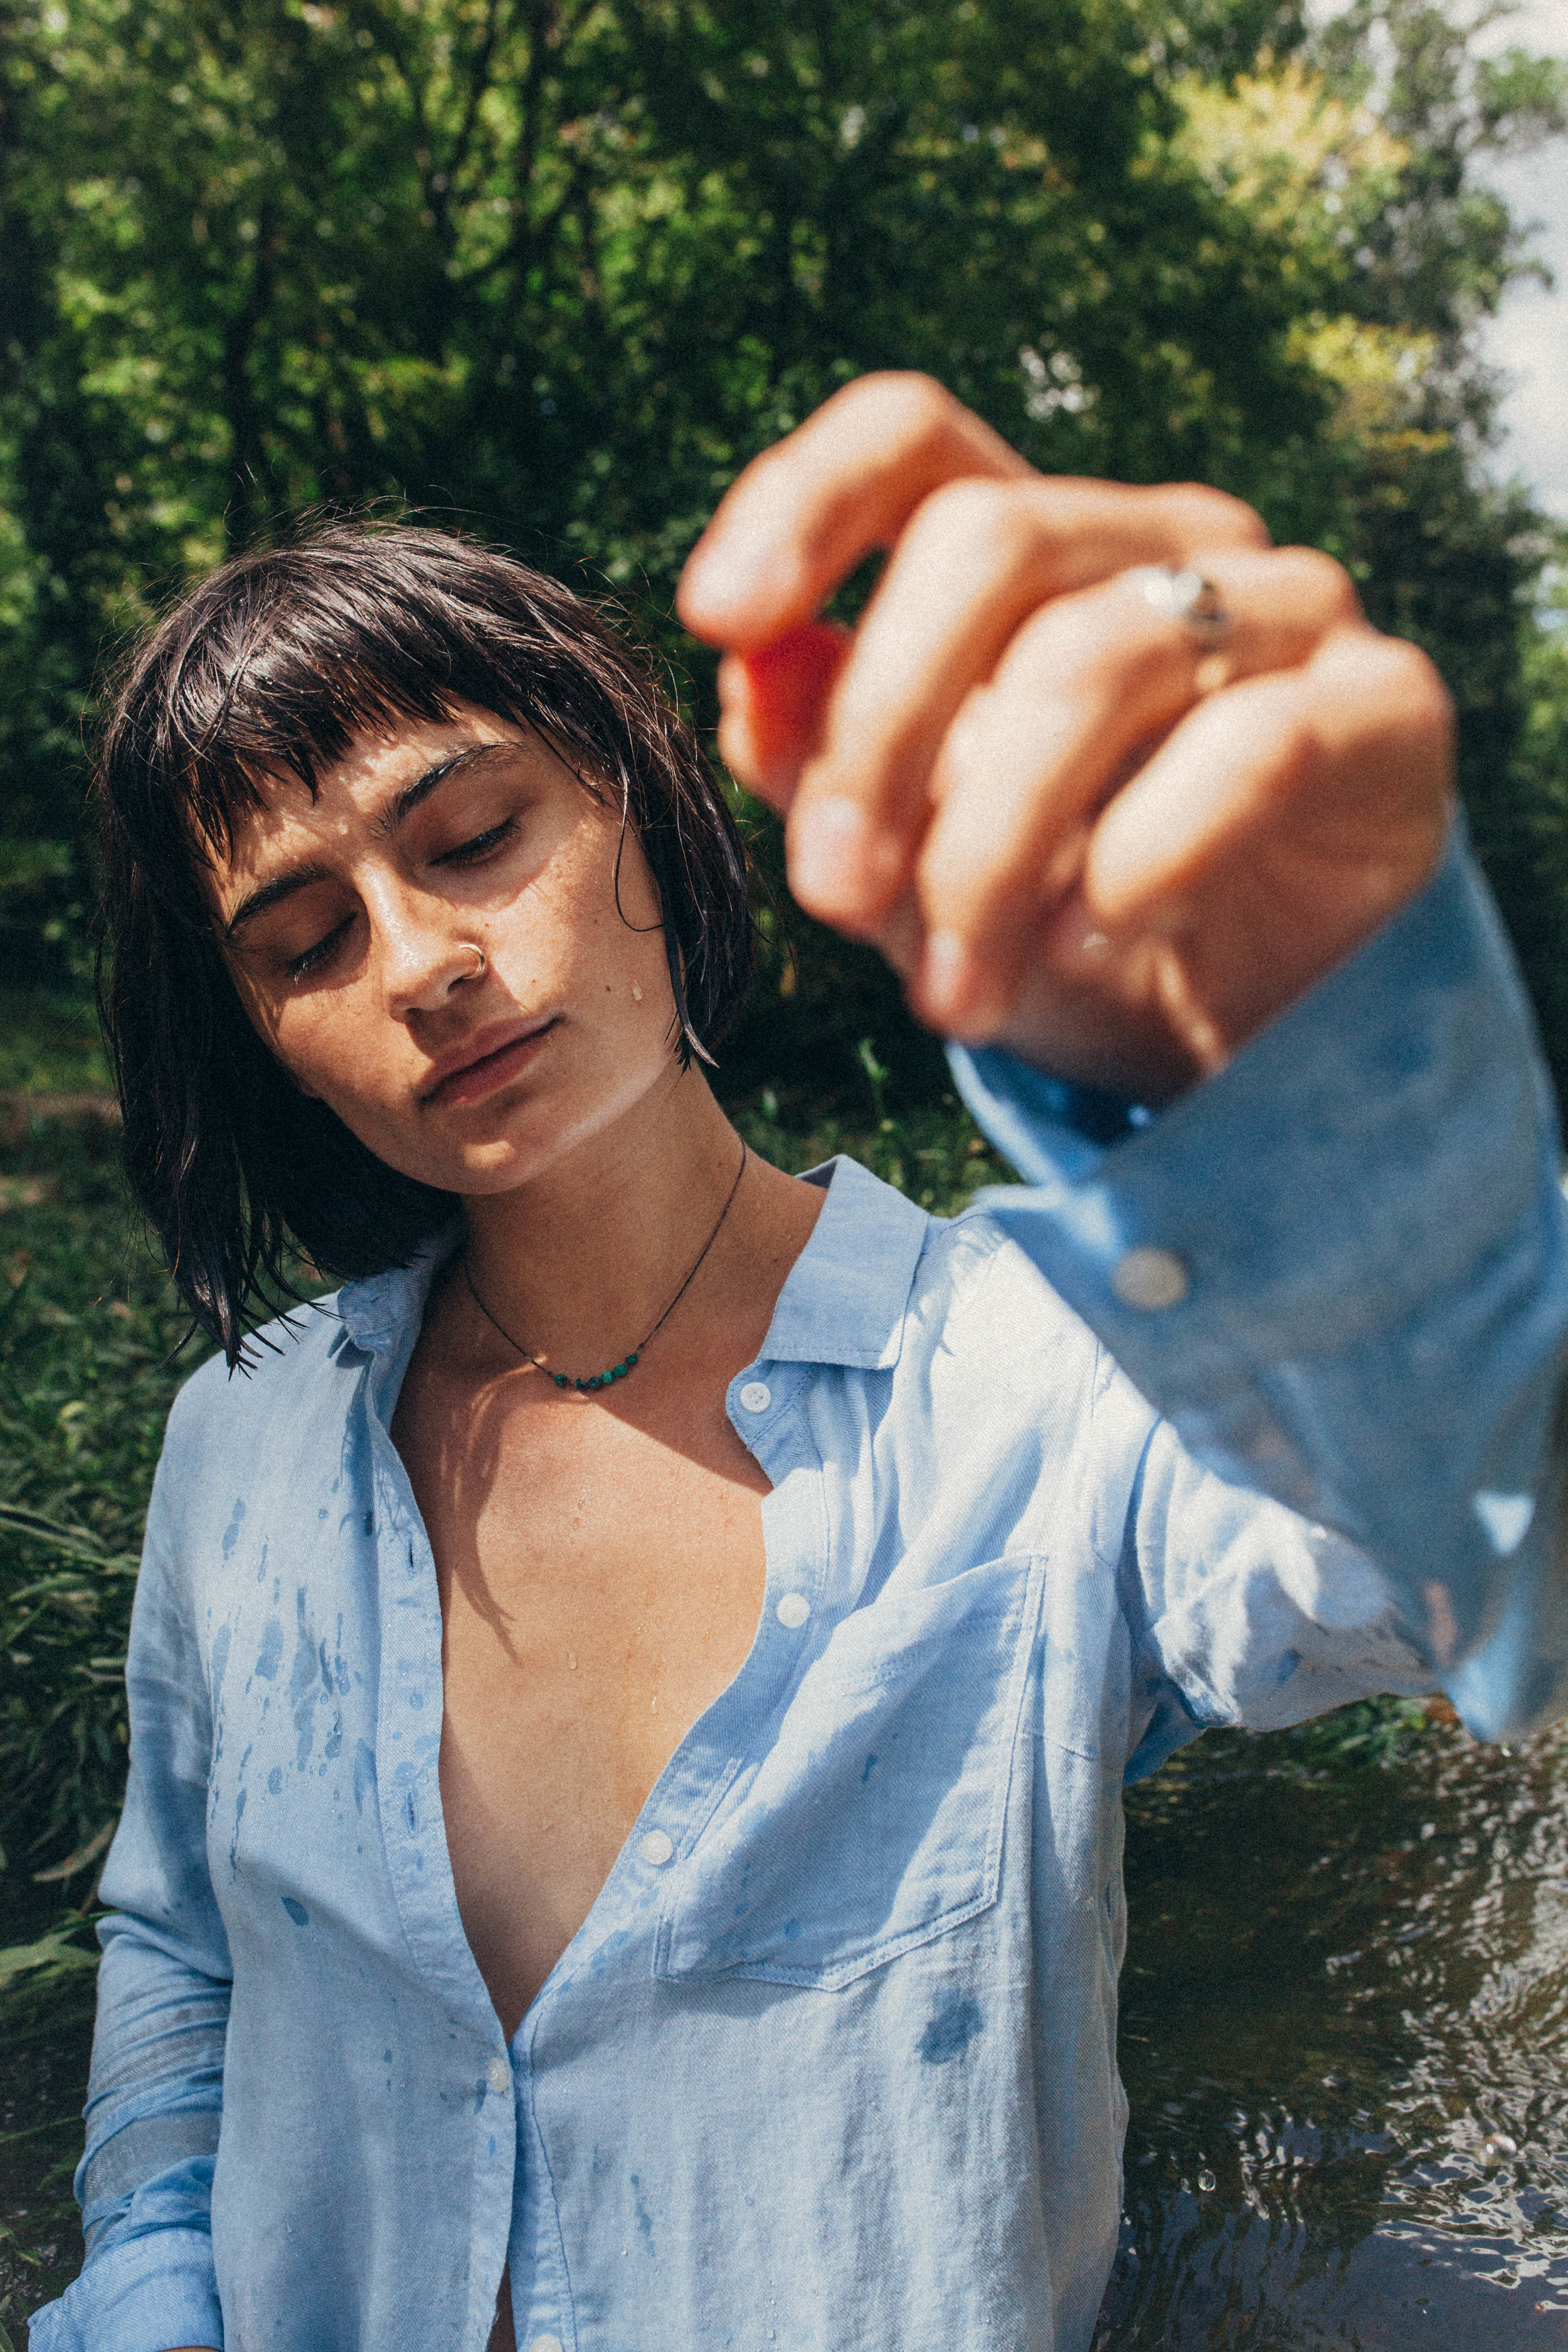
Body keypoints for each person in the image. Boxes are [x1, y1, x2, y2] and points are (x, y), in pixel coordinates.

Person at [28, 373, 1568, 2352]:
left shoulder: (1047, 1379)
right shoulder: (235, 1441)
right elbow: (179, 1951)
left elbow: (1493, 1569)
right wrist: (152, 2273)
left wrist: (1348, 1096)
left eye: (474, 833)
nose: (420, 962)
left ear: (640, 813)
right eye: (304, 942)